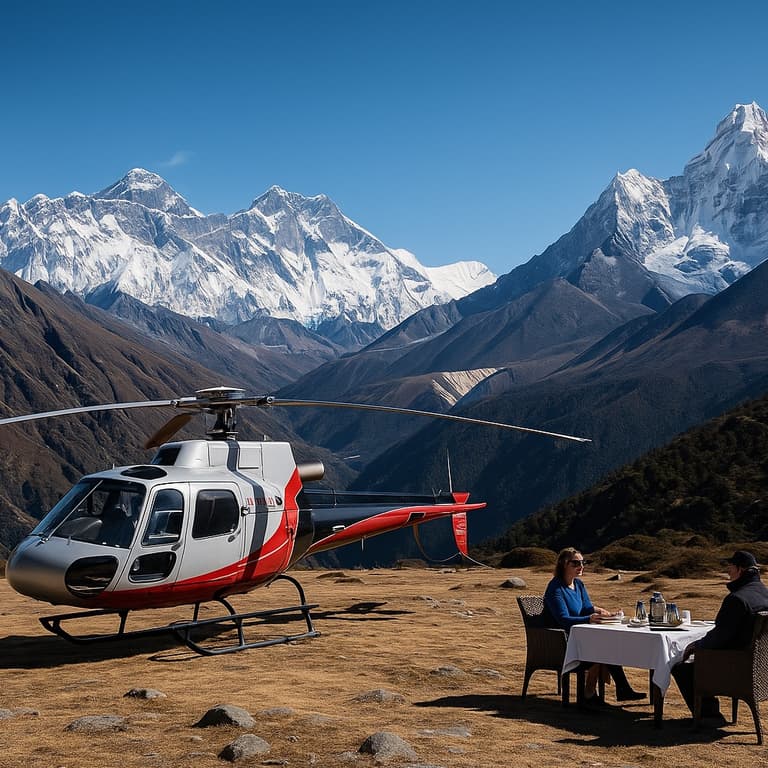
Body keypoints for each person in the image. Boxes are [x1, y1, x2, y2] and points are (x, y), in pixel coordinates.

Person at [671, 549, 768, 725]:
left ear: (741, 569)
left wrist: (696, 645)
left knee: (681, 667)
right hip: (760, 667)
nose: (727, 570)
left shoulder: (737, 599)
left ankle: (710, 716)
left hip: (736, 668)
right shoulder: (764, 593)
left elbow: (719, 638)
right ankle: (710, 714)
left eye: (730, 566)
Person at [544, 547, 645, 705]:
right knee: (602, 649)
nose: (581, 566)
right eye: (576, 563)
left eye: (583, 562)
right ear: (564, 564)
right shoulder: (555, 588)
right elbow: (563, 619)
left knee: (606, 645)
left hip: (581, 635)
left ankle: (615, 690)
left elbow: (586, 608)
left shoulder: (578, 585)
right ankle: (592, 694)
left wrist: (606, 613)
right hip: (563, 641)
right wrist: (589, 619)